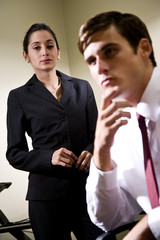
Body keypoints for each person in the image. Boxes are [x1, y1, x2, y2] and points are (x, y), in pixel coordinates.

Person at [6, 23, 104, 240]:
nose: (44, 52)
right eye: (36, 47)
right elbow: (14, 153)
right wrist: (49, 157)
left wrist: (91, 151)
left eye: (50, 46)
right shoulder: (18, 97)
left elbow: (98, 136)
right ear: (26, 55)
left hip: (88, 192)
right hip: (46, 199)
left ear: (58, 52)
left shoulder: (82, 87)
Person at [78, 11, 160, 240]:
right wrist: (101, 151)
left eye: (109, 51)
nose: (100, 67)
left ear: (144, 49)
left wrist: (145, 230)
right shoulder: (120, 128)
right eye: (91, 61)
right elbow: (109, 219)